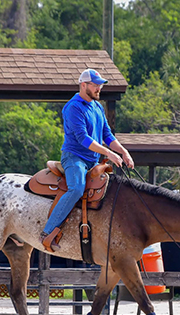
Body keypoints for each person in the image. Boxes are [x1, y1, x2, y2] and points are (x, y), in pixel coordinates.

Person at [41, 68, 134, 251]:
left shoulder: (97, 107)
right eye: (96, 85)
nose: (99, 88)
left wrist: (123, 152)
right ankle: (47, 232)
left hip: (93, 161)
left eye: (100, 85)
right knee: (76, 188)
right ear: (84, 85)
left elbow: (107, 135)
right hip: (75, 157)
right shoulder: (73, 107)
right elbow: (83, 139)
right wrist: (108, 154)